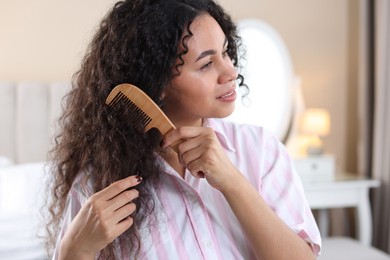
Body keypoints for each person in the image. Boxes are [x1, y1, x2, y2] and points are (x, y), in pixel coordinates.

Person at [46, 0, 321, 259]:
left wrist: (232, 180)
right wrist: (74, 250)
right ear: (158, 82)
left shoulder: (261, 150)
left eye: (225, 52)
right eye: (206, 64)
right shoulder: (99, 185)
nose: (231, 72)